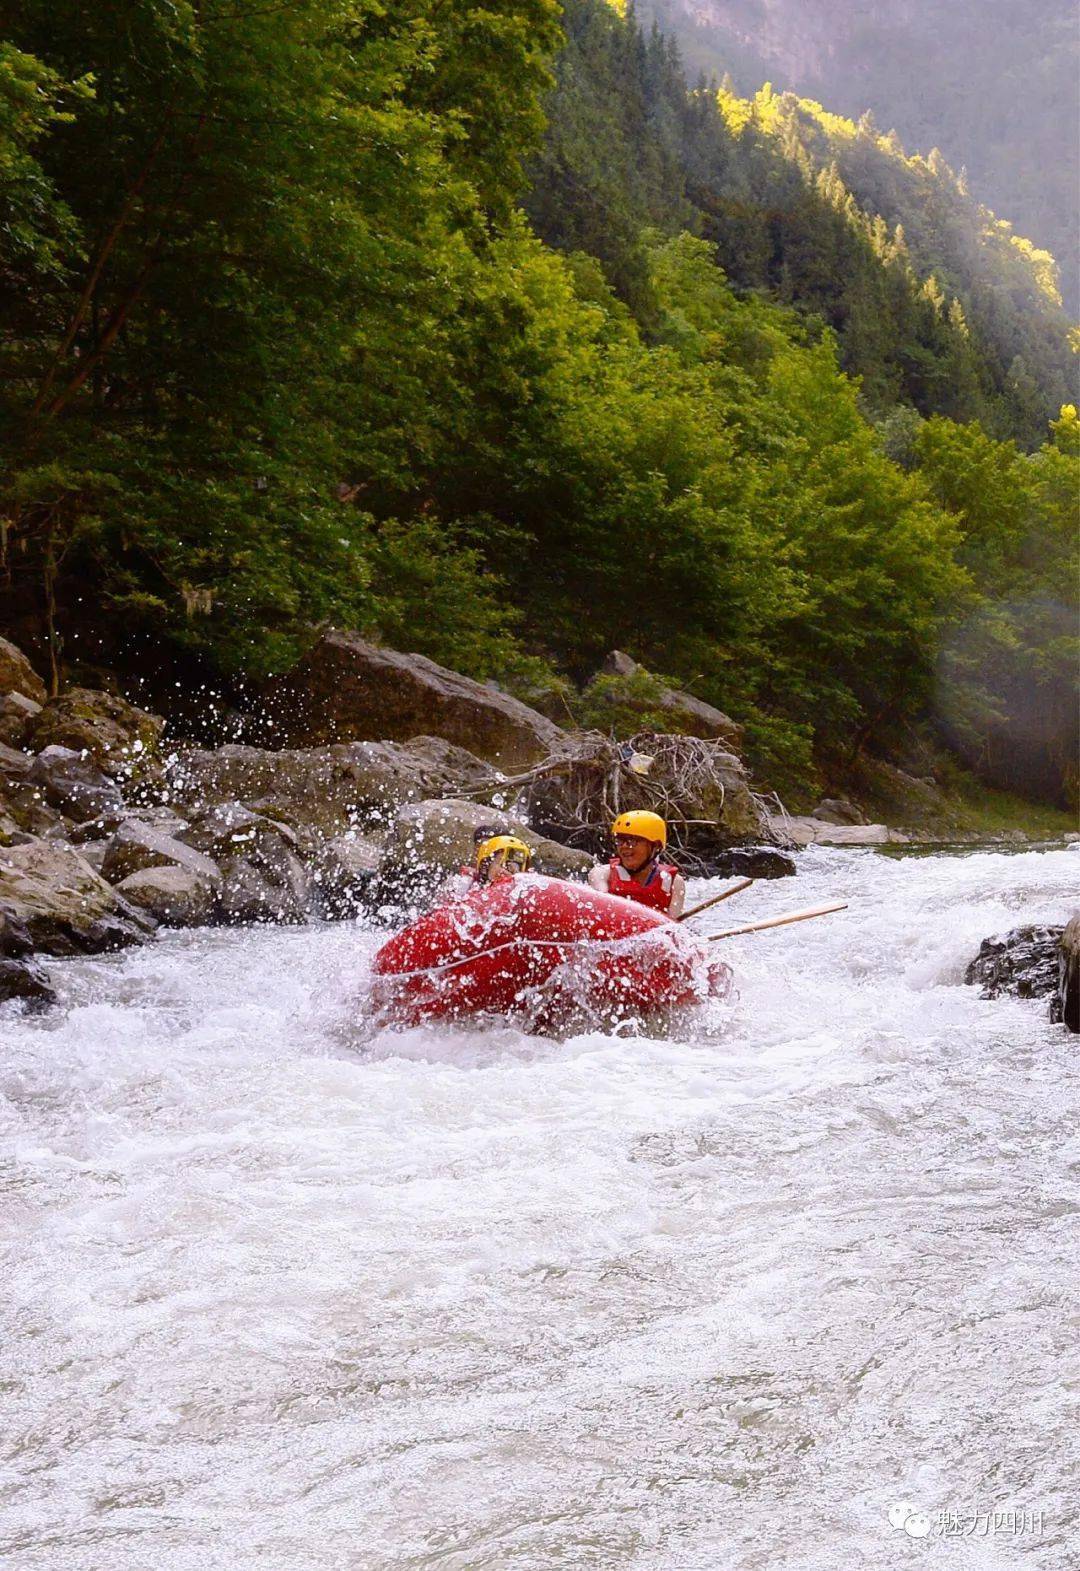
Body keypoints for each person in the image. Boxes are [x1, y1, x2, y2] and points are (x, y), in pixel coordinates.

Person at [587, 810, 686, 918]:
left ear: (656, 846)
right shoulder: (602, 874)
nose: (624, 846)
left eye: (631, 841)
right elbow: (602, 910)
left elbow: (674, 926)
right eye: (619, 841)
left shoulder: (673, 883)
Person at [434, 833, 533, 904]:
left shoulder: (521, 896)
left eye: (512, 870)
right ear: (486, 866)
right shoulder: (463, 884)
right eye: (502, 865)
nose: (505, 872)